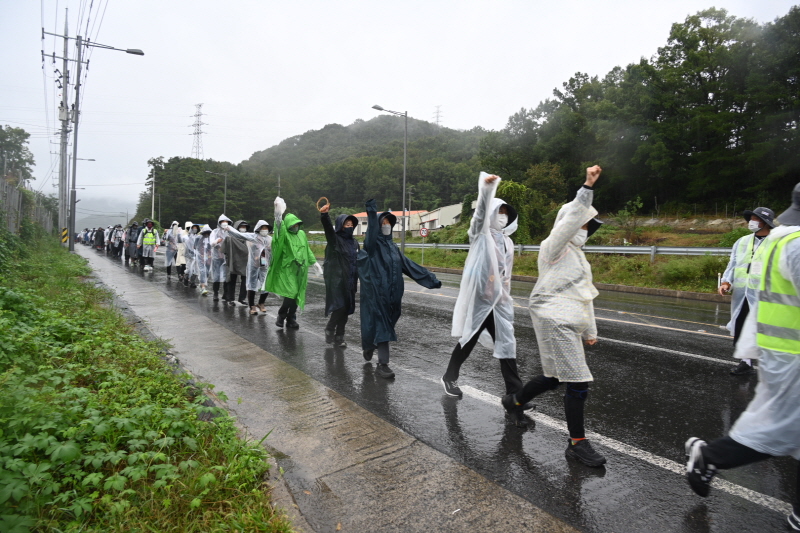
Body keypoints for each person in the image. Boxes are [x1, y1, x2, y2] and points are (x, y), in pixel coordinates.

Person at [685, 183, 800, 531]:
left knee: (787, 428)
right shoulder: (794, 243)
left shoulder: (779, 239)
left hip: (781, 349)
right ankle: (710, 456)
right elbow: (738, 266)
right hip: (791, 353)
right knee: (781, 429)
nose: (753, 222)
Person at [501, 165, 607, 466]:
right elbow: (571, 218)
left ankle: (514, 401)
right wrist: (587, 187)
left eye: (588, 227)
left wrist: (590, 331)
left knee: (554, 377)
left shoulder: (581, 259)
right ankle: (577, 443)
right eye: (582, 224)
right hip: (554, 318)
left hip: (570, 320)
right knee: (578, 381)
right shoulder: (553, 247)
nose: (584, 230)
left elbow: (585, 295)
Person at [442, 173, 527, 421]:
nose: (503, 216)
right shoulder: (480, 235)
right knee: (468, 340)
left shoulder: (508, 243)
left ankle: (515, 395)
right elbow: (479, 216)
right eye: (499, 211)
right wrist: (487, 190)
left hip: (499, 302)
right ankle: (449, 377)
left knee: (507, 343)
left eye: (506, 213)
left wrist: (506, 298)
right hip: (480, 300)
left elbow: (506, 275)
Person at [358, 198, 442, 379]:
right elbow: (371, 230)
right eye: (383, 223)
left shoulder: (393, 247)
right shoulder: (372, 246)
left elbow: (409, 265)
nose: (386, 226)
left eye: (389, 223)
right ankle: (383, 364)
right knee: (383, 325)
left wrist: (431, 279)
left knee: (388, 322)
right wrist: (371, 211)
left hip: (394, 296)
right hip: (377, 294)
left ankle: (370, 345)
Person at [718, 207, 775, 375]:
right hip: (742, 294)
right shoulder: (742, 242)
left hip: (766, 295)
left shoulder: (776, 242)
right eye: (751, 218)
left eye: (755, 219)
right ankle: (746, 362)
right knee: (742, 326)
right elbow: (733, 264)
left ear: (765, 222)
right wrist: (726, 282)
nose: (751, 222)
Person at [265, 197, 322, 328]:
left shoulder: (301, 234)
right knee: (291, 293)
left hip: (301, 270)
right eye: (293, 225)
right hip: (288, 269)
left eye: (297, 225)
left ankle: (291, 318)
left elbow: (307, 249)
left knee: (298, 294)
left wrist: (314, 263)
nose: (295, 227)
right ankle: (282, 315)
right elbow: (279, 228)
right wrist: (278, 214)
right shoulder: (285, 234)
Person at [320, 203, 359, 348]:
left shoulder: (354, 243)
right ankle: (330, 328)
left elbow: (358, 261)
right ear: (340, 226)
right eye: (346, 224)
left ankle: (339, 337)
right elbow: (328, 230)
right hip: (337, 280)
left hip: (351, 280)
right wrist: (325, 215)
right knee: (340, 307)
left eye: (351, 224)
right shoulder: (335, 240)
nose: (349, 226)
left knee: (346, 309)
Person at [228, 219, 273, 315]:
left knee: (266, 284)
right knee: (252, 284)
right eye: (263, 228)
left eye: (266, 228)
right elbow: (239, 235)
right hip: (254, 265)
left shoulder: (270, 239)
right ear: (258, 229)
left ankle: (261, 303)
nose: (265, 230)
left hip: (265, 264)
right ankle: (252, 306)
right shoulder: (253, 237)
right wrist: (229, 228)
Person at [224, 220, 251, 306]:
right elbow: (225, 249)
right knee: (232, 280)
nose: (243, 228)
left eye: (245, 227)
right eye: (241, 227)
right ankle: (230, 299)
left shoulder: (248, 237)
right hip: (234, 261)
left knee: (245, 280)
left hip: (245, 261)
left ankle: (242, 299)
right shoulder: (230, 237)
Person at [210, 214, 233, 301]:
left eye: (226, 222)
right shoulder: (214, 232)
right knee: (216, 275)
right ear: (219, 223)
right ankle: (215, 293)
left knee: (226, 275)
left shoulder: (230, 231)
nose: (224, 223)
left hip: (227, 257)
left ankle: (225, 294)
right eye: (223, 221)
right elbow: (211, 243)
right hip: (217, 257)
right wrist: (217, 241)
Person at [194, 224, 213, 295]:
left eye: (208, 233)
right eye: (206, 233)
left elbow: (212, 247)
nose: (207, 234)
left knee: (207, 272)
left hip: (209, 257)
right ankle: (203, 287)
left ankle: (202, 283)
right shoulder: (198, 238)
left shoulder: (211, 238)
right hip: (200, 257)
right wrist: (200, 253)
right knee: (202, 271)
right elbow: (195, 246)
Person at [183, 223, 201, 288]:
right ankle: (186, 279)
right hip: (189, 256)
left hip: (196, 255)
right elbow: (185, 245)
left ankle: (192, 282)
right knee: (189, 268)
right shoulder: (186, 237)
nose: (195, 229)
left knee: (196, 269)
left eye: (196, 228)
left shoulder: (198, 237)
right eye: (194, 228)